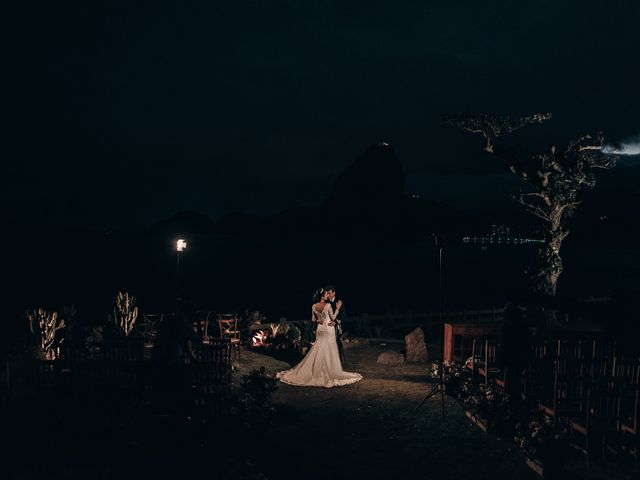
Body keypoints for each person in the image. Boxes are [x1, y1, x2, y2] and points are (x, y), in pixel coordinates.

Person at [276, 288, 362, 388]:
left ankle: (319, 368)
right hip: (328, 328)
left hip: (320, 329)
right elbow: (333, 318)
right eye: (326, 294)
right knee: (328, 349)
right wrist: (338, 308)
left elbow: (314, 319)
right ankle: (327, 369)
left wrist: (319, 320)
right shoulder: (328, 305)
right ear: (322, 296)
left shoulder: (313, 306)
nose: (327, 295)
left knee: (319, 347)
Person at [325, 285, 345, 363]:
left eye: (330, 293)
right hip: (328, 326)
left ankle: (339, 360)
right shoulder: (326, 302)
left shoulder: (339, 302)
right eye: (327, 293)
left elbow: (343, 315)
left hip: (336, 326)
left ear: (334, 293)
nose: (328, 295)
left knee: (337, 342)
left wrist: (336, 322)